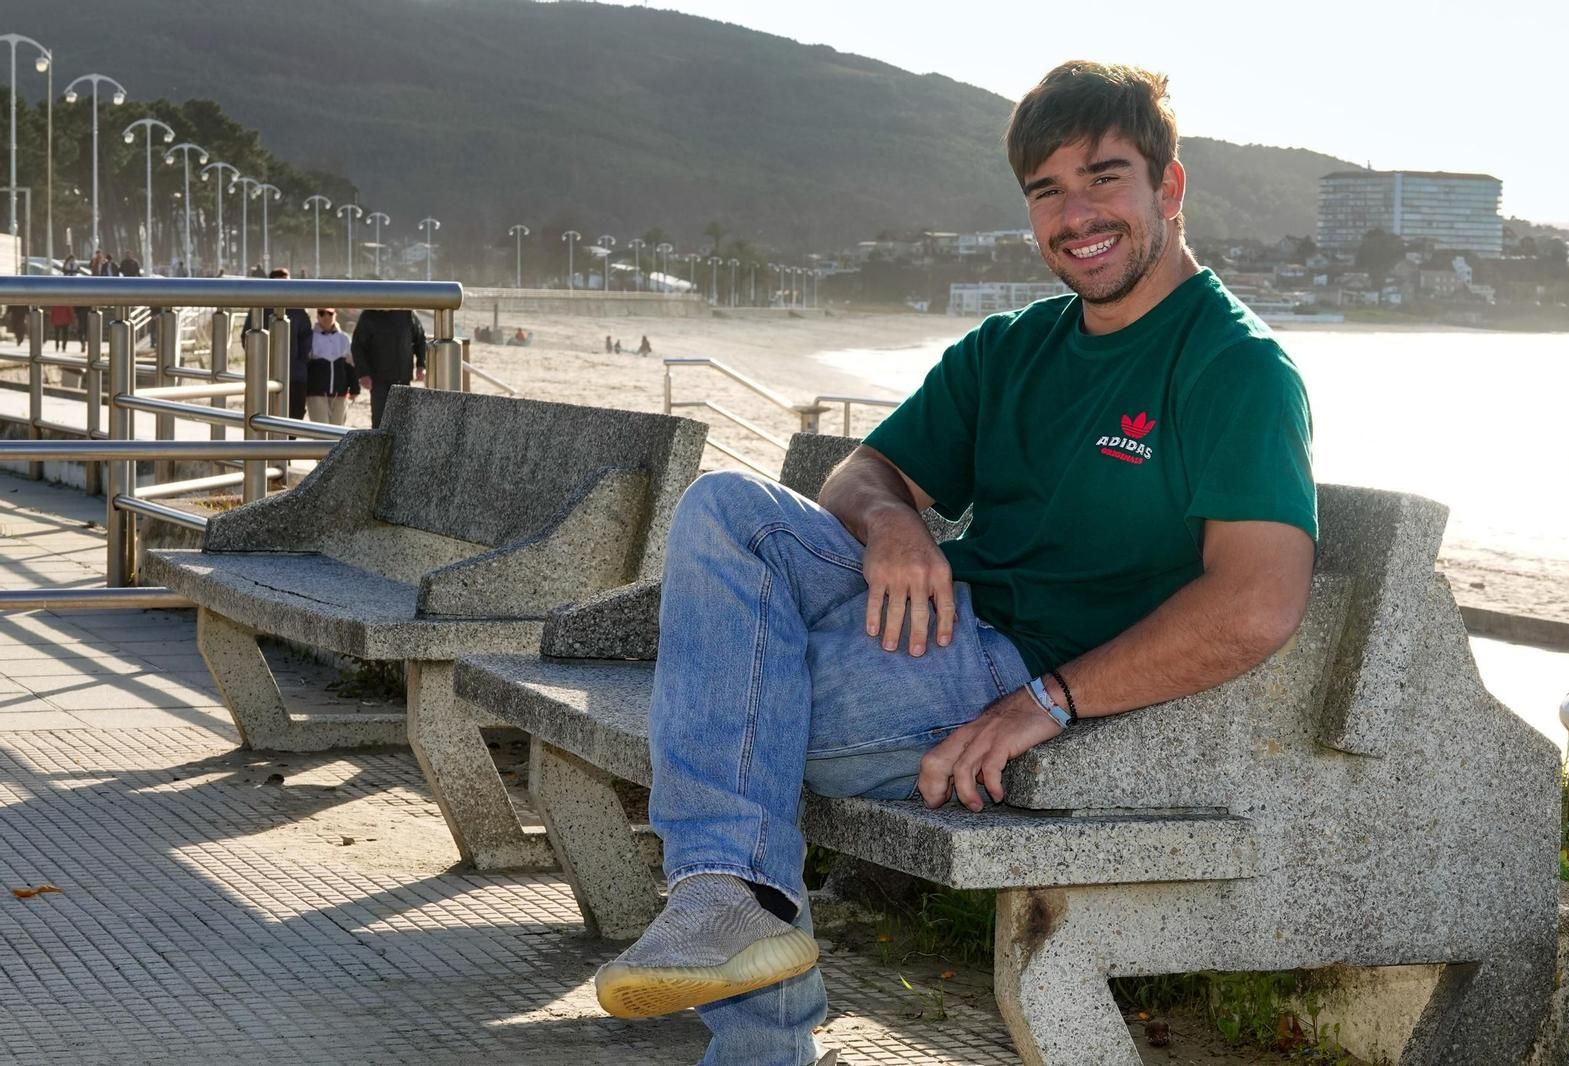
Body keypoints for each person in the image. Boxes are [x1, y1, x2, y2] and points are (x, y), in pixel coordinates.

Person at [593, 60, 1317, 1065]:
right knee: (725, 509)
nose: (1076, 214)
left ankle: (753, 1014)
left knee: (731, 720)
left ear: (1170, 185)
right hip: (932, 617)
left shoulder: (1233, 366)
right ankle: (731, 907)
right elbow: (863, 472)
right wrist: (893, 522)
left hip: (1015, 664)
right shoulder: (1012, 347)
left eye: (1103, 177)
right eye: (1047, 191)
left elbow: (1257, 601)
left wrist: (1048, 700)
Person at [243, 268, 313, 421]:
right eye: (279, 284)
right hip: (265, 374)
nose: (283, 289)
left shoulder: (298, 310)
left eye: (286, 284)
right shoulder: (259, 309)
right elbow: (247, 337)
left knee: (295, 416)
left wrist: (299, 363)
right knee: (265, 413)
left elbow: (306, 340)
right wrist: (258, 363)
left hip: (295, 375)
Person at [351, 308, 428, 427]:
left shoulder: (407, 313)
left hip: (403, 379)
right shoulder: (369, 315)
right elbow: (358, 346)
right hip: (378, 381)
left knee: (403, 423)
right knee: (380, 423)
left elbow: (420, 339)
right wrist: (363, 373)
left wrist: (421, 365)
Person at [306, 308, 359, 426]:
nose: (326, 317)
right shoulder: (311, 338)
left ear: (335, 315)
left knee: (337, 429)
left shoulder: (344, 338)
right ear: (317, 316)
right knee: (320, 428)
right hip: (316, 393)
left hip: (340, 393)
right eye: (322, 313)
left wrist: (355, 388)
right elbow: (305, 366)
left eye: (330, 313)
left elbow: (350, 366)